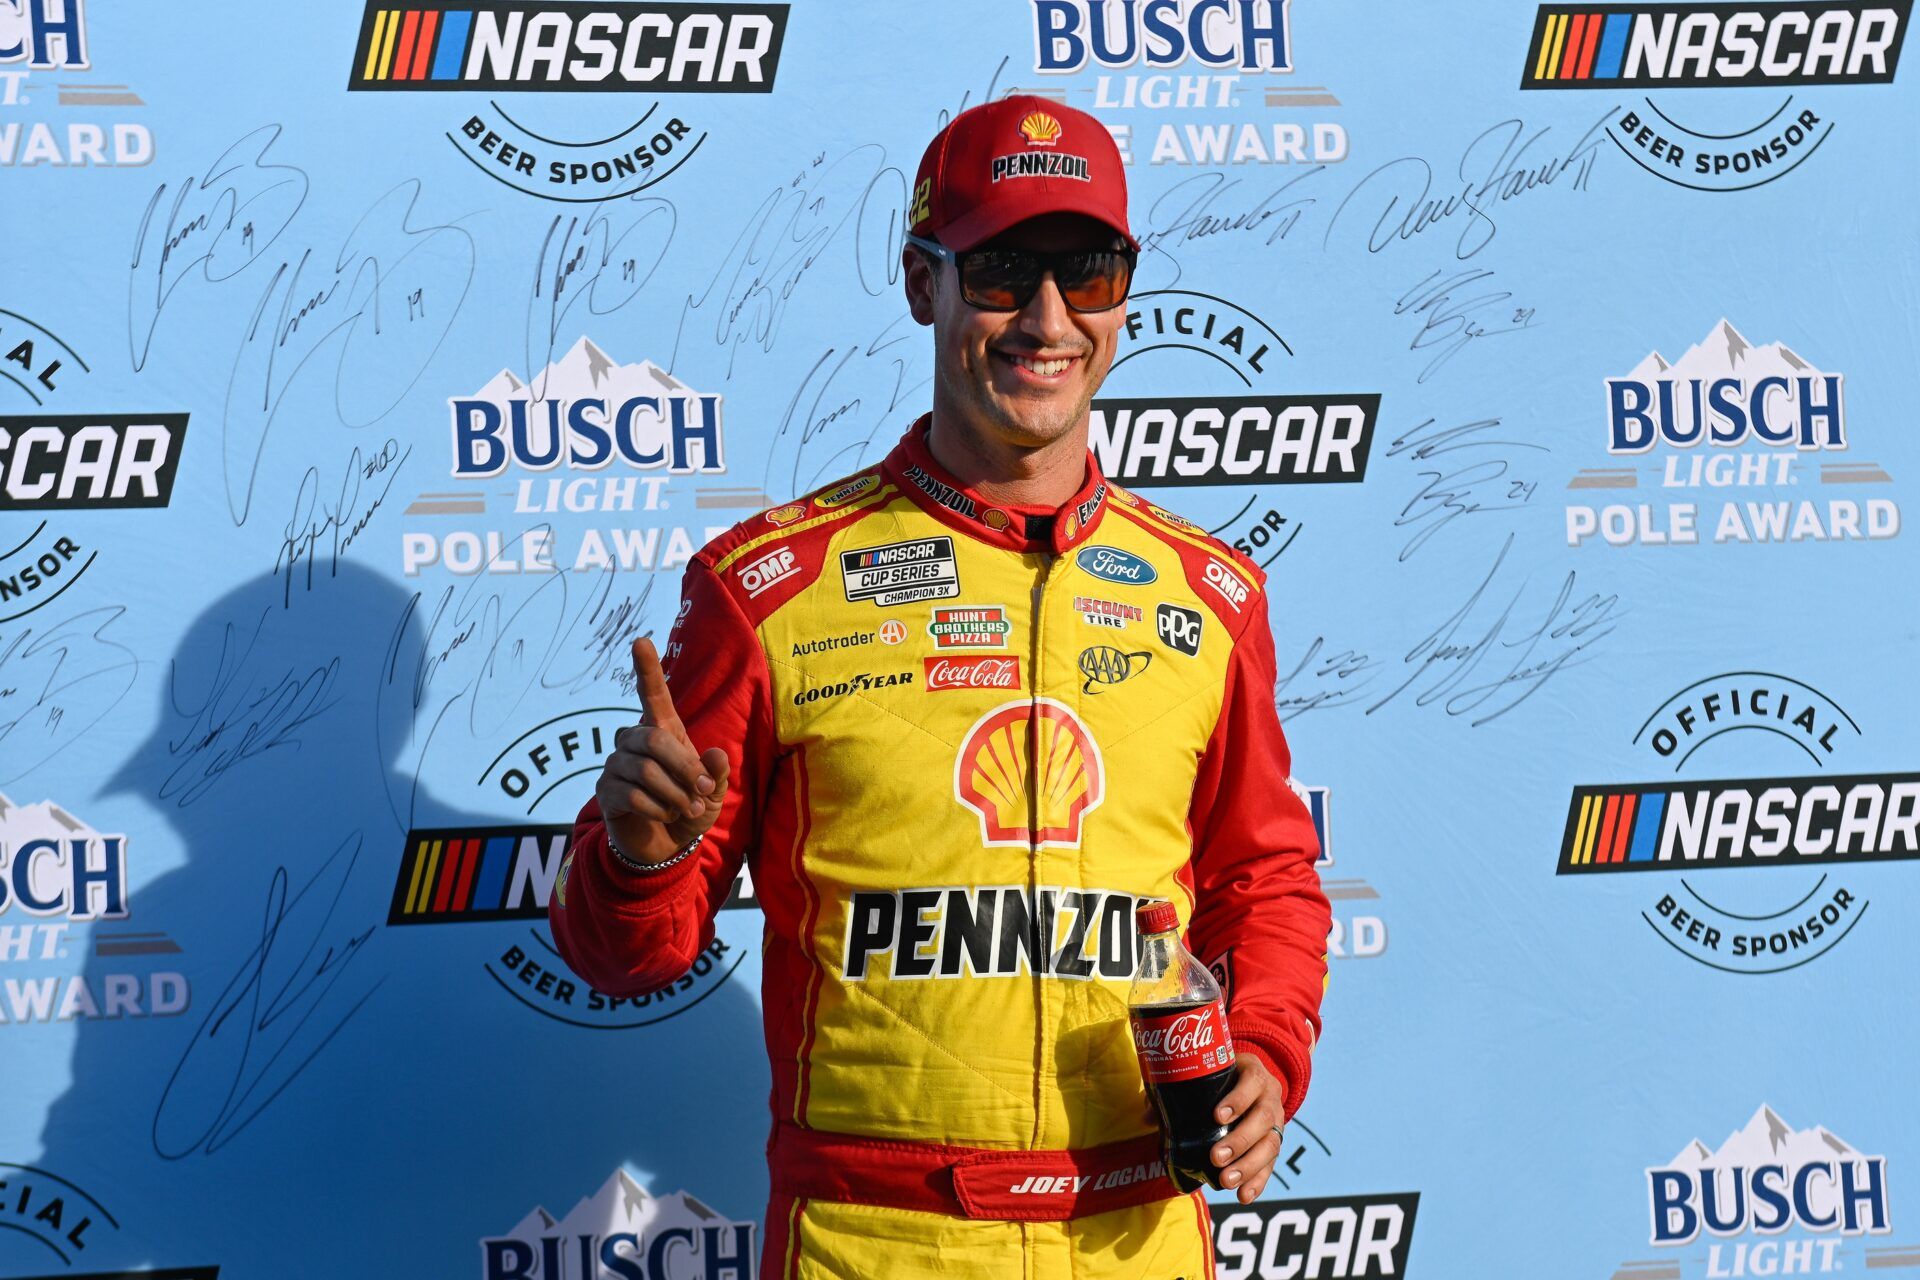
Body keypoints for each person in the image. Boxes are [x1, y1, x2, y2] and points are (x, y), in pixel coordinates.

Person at [550, 94, 1331, 1280]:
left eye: (1090, 269)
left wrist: (1267, 1047)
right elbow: (629, 955)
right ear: (926, 282)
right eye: (1006, 270)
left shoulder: (1212, 595)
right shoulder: (772, 588)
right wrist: (640, 858)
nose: (1051, 318)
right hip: (872, 1243)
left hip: (1137, 1237)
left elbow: (1263, 877)